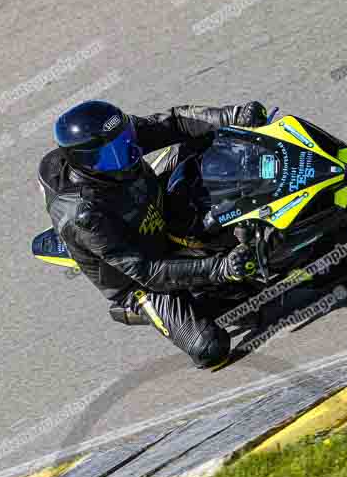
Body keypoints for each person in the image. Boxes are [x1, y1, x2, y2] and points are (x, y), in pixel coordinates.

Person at [37, 100, 269, 369]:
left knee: (207, 137)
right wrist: (223, 268)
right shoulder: (85, 216)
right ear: (85, 164)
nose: (128, 154)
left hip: (152, 205)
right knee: (211, 349)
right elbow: (146, 271)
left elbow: (174, 122)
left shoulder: (117, 142)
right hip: (141, 279)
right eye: (113, 154)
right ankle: (187, 300)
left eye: (126, 141)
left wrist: (233, 115)